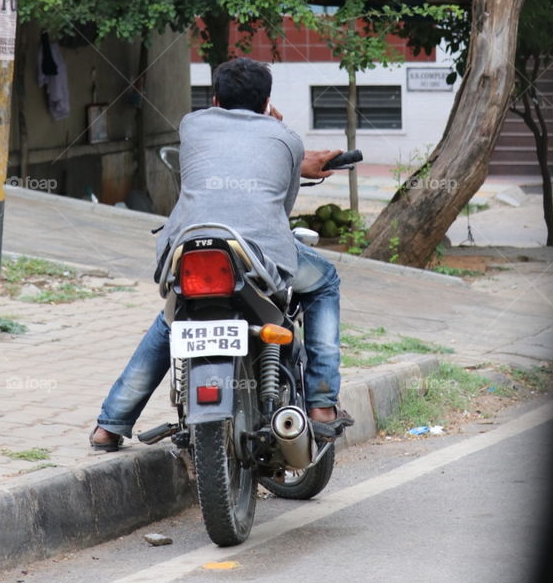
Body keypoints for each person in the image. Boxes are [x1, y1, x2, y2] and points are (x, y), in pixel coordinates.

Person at [89, 57, 354, 451]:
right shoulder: (287, 139)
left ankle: (110, 425)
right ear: (267, 102)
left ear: (213, 99)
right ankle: (321, 405)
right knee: (325, 281)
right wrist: (280, 130)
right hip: (257, 254)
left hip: (188, 248)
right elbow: (280, 210)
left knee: (173, 319)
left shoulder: (192, 125)